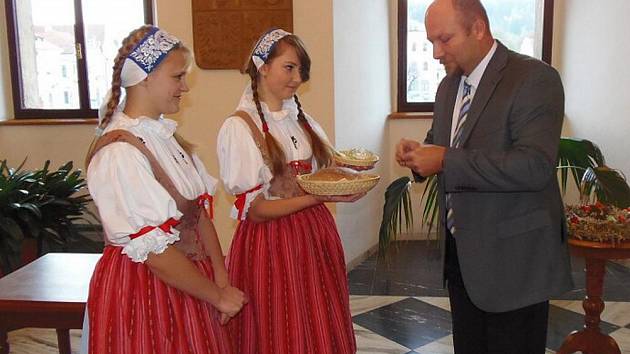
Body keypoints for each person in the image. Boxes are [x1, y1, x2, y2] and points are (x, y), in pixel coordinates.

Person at [395, 0, 573, 353]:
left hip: (514, 263)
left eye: (444, 39)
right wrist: (418, 156)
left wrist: (445, 159)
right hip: (463, 260)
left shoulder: (534, 78)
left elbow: (533, 166)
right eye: (431, 41)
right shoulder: (449, 88)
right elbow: (444, 144)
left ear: (478, 28)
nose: (435, 53)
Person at [82, 25, 246, 354]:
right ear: (145, 77)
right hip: (145, 292)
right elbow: (154, 253)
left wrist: (221, 278)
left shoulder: (166, 139)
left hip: (188, 284)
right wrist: (217, 295)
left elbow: (198, 215)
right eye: (177, 76)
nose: (185, 86)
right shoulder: (119, 152)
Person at [217, 28, 363, 354]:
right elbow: (254, 209)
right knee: (279, 324)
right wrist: (318, 197)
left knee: (317, 320)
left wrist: (349, 177)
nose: (298, 78)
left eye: (301, 70)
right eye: (289, 67)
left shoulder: (300, 120)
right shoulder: (240, 127)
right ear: (262, 66)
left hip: (313, 235)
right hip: (271, 243)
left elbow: (320, 171)